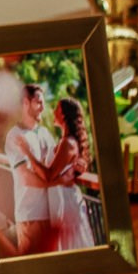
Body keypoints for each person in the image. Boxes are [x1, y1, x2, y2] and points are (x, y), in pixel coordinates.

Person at [2, 82, 59, 255]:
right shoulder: (14, 136)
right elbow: (26, 178)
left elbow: (57, 168)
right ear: (26, 103)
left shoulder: (45, 134)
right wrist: (57, 182)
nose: (43, 107)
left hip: (52, 214)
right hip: (30, 216)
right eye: (39, 102)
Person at [47, 97, 99, 250]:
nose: (53, 112)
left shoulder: (67, 143)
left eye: (56, 108)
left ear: (63, 114)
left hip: (66, 202)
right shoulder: (65, 141)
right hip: (63, 198)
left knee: (71, 243)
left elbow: (50, 174)